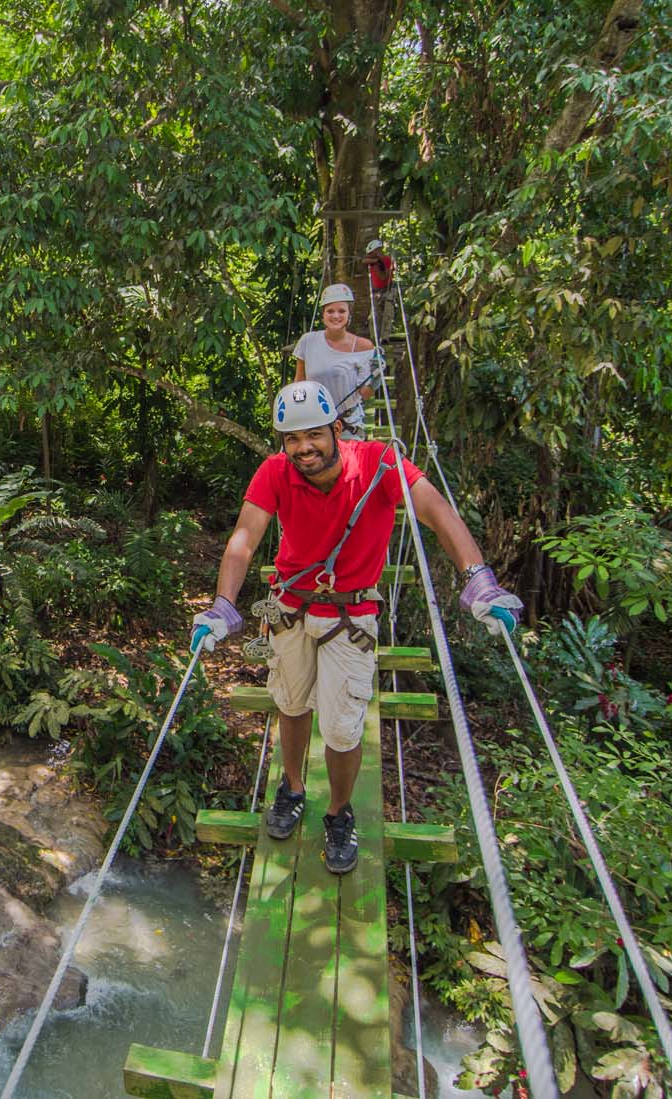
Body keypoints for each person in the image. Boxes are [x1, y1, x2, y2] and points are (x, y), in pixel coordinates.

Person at [191, 380, 523, 876]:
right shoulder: (275, 472)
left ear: (337, 429)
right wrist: (223, 605)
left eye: (314, 436)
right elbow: (244, 536)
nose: (303, 448)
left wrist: (478, 579)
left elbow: (436, 511)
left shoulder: (380, 464)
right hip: (291, 607)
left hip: (351, 615)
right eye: (292, 439)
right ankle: (293, 788)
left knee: (343, 729)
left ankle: (338, 812)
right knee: (289, 702)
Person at [294, 284, 375, 440]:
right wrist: (297, 414)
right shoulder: (308, 341)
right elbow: (299, 382)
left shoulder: (363, 346)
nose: (336, 316)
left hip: (347, 425)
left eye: (341, 311)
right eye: (330, 311)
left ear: (349, 314)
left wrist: (375, 379)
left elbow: (365, 393)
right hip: (314, 424)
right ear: (323, 315)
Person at [364, 239, 395, 343]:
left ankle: (385, 337)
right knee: (373, 315)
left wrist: (379, 263)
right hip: (376, 291)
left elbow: (384, 276)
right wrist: (376, 261)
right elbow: (363, 260)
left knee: (388, 313)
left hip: (388, 290)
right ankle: (374, 337)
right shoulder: (373, 261)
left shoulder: (387, 260)